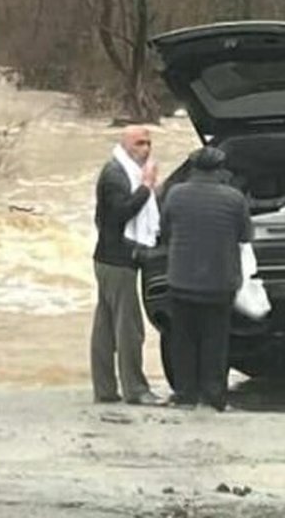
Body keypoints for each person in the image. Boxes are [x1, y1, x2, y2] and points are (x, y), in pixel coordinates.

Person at [159, 146, 252, 411]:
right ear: (220, 170)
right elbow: (245, 236)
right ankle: (213, 397)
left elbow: (165, 230)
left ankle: (185, 395)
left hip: (181, 280)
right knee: (215, 341)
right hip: (219, 282)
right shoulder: (234, 198)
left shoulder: (175, 194)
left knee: (183, 340)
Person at [91, 124, 162, 405]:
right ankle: (136, 390)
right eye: (139, 144)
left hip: (108, 257)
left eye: (148, 144)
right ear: (125, 145)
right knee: (128, 328)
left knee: (106, 328)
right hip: (117, 260)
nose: (145, 150)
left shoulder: (122, 171)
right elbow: (120, 213)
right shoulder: (115, 175)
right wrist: (146, 187)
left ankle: (106, 389)